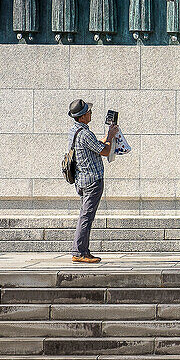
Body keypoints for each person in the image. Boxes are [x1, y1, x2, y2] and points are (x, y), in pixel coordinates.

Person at [67, 99, 119, 263]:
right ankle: (80, 252)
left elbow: (95, 146)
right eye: (88, 112)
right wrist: (110, 136)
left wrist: (105, 137)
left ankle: (82, 250)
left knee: (85, 215)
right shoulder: (85, 134)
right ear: (82, 117)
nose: (91, 114)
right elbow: (104, 151)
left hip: (81, 180)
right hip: (92, 181)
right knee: (86, 216)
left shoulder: (75, 131)